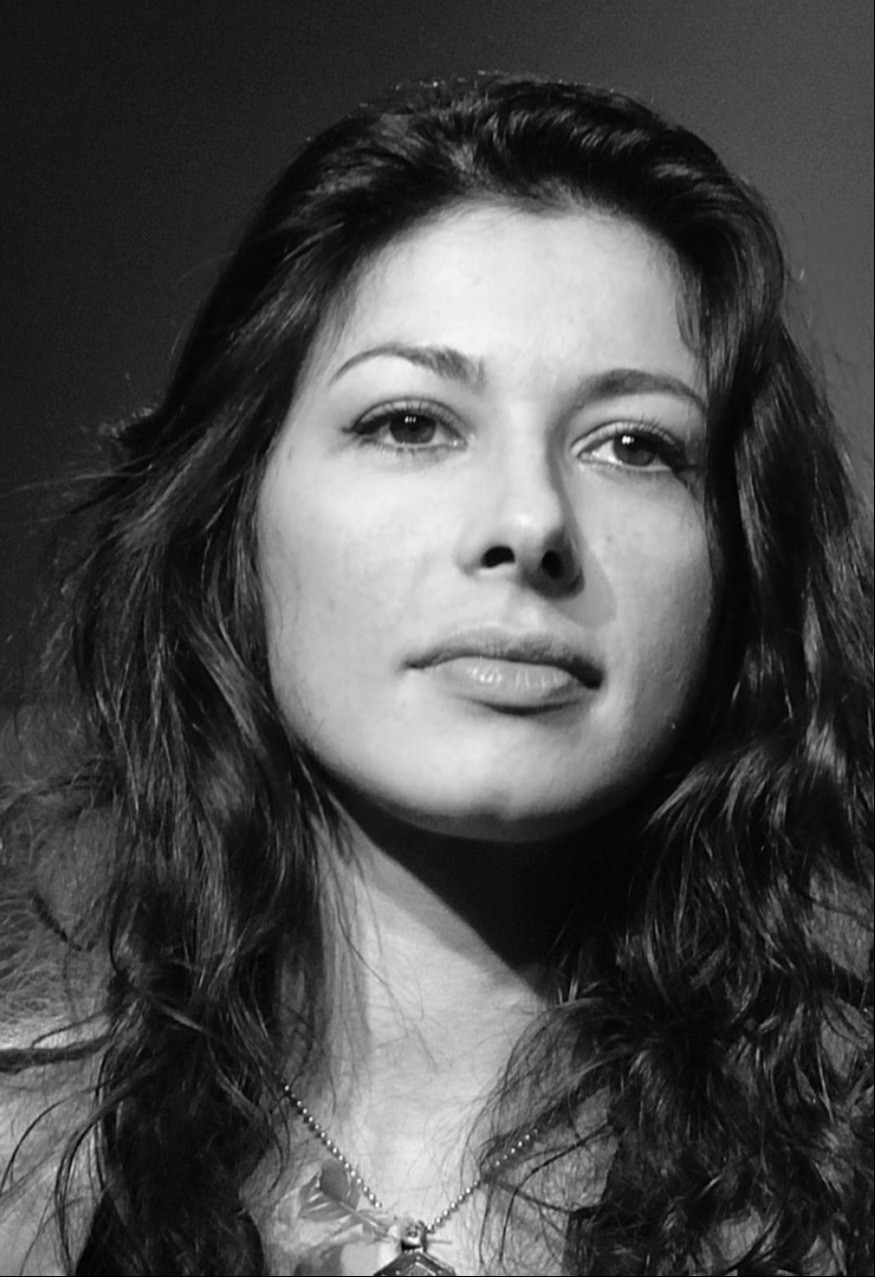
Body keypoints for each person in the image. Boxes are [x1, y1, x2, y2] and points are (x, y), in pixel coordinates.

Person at [0, 75, 871, 1276]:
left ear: (740, 558)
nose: (529, 521)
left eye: (633, 444)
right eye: (410, 422)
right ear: (232, 520)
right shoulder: (24, 1174)